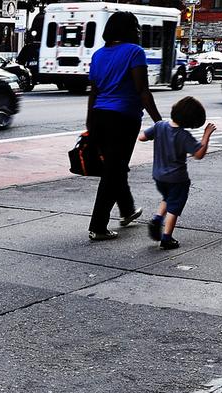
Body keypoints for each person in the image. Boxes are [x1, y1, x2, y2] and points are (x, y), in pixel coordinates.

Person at [85, 11, 163, 241]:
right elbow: (142, 91)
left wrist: (90, 121)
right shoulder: (134, 52)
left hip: (99, 115)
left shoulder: (98, 55)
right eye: (136, 27)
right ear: (128, 30)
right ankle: (98, 226)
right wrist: (159, 122)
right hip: (123, 118)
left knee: (115, 167)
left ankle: (127, 210)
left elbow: (94, 91)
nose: (139, 31)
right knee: (113, 171)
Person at [139, 97, 216, 250]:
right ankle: (167, 238)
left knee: (167, 197)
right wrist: (206, 136)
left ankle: (157, 219)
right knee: (175, 206)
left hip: (158, 175)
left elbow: (142, 137)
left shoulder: (160, 126)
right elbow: (198, 154)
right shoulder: (183, 136)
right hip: (177, 179)